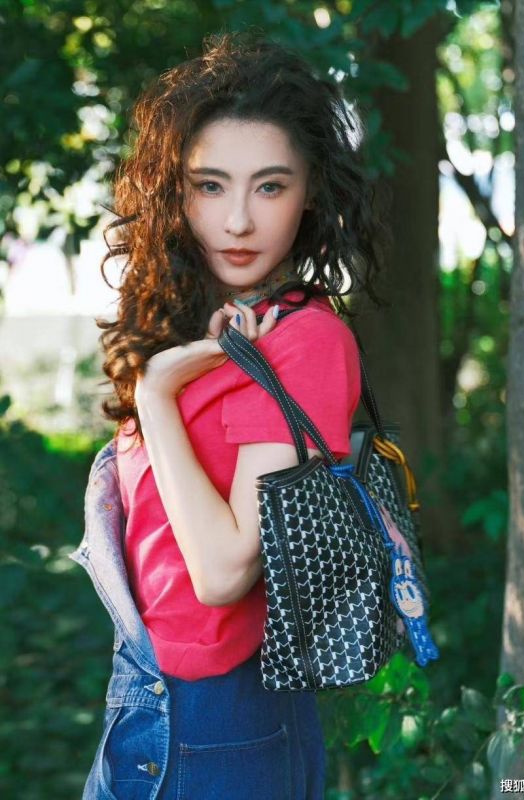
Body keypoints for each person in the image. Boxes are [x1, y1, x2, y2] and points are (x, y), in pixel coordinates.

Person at [70, 29, 389, 800]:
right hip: (142, 697)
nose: (239, 221)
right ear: (174, 193)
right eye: (210, 186)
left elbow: (221, 574)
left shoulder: (305, 341)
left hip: (223, 723)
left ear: (310, 192)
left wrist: (157, 399)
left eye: (269, 187)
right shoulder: (204, 325)